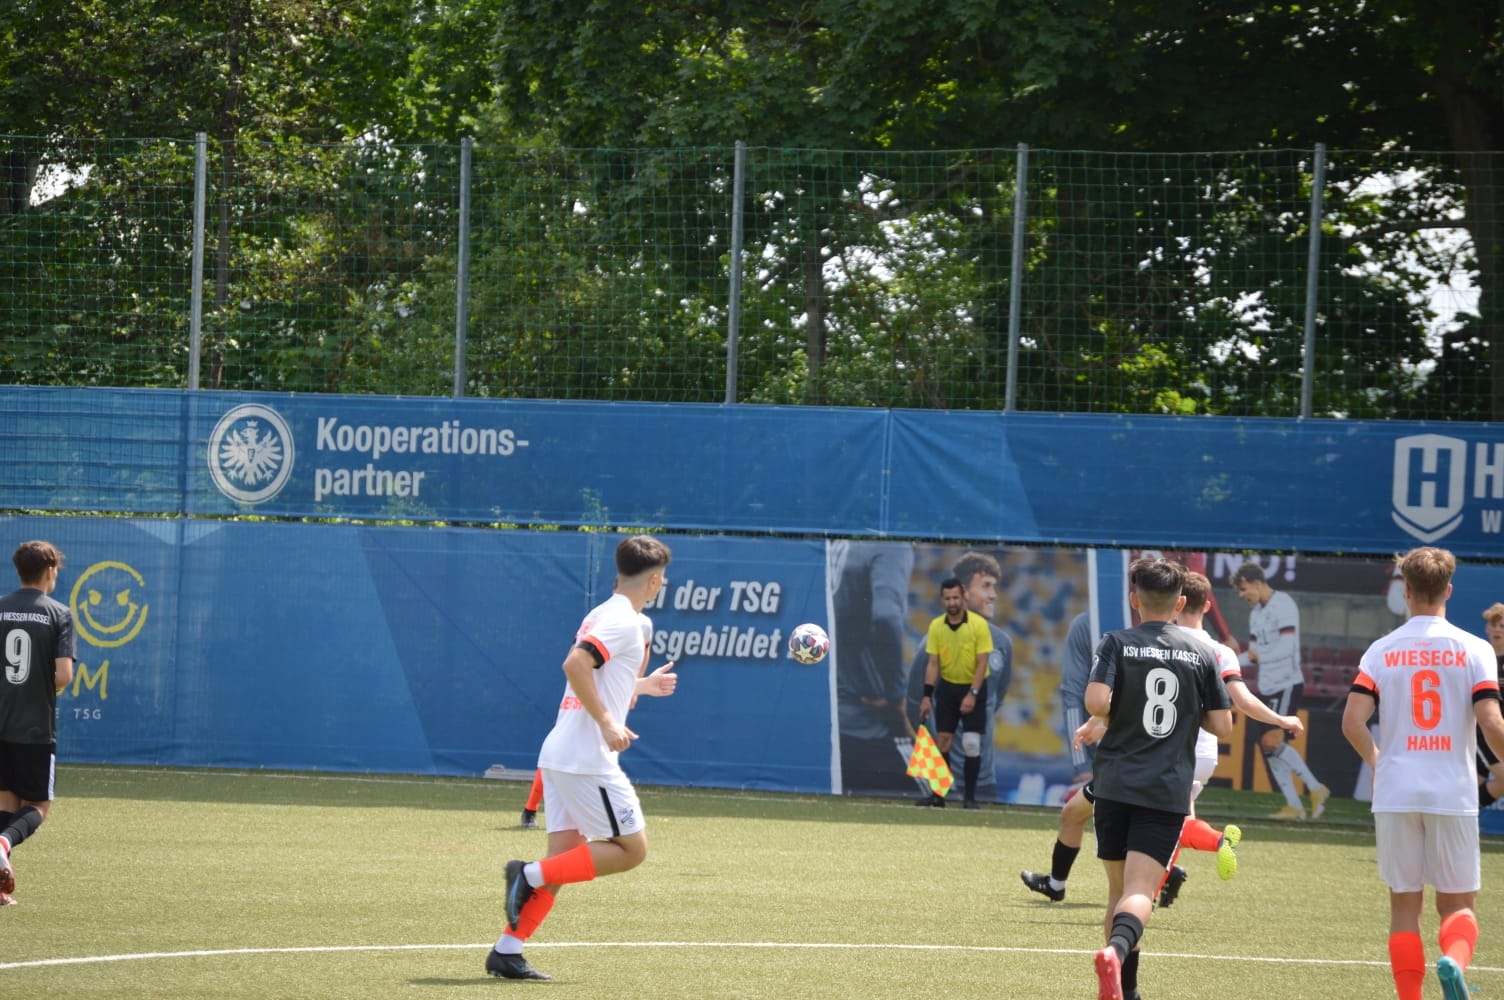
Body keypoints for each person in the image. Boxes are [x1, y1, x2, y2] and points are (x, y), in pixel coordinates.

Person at [486, 534, 680, 981]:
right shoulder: (625, 622)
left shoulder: (606, 613)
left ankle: (507, 950)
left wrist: (643, 686)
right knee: (631, 850)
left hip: (561, 753)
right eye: (663, 579)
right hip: (586, 759)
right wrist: (609, 724)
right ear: (654, 581)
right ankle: (526, 873)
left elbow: (600, 677)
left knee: (564, 862)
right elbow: (575, 665)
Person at [1340, 546, 1504, 1000]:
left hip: (1396, 791)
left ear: (1407, 591)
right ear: (1448, 590)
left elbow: (1352, 722)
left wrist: (1378, 762)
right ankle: (1453, 961)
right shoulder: (1475, 648)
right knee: (1458, 905)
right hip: (1452, 791)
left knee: (1404, 908)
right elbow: (1491, 722)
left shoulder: (1381, 649)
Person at [1081, 557, 1232, 1000]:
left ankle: (1125, 990)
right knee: (1140, 891)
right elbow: (1222, 726)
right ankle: (1115, 953)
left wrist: (1123, 704)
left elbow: (1096, 702)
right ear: (1180, 603)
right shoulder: (1202, 653)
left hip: (1113, 784)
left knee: (1117, 892)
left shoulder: (1116, 643)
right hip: (1164, 789)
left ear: (1135, 599)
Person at [1157, 570, 1304, 906]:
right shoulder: (1219, 651)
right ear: (1208, 606)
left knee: (1153, 823)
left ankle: (1218, 841)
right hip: (1205, 752)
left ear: (1177, 603)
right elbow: (1244, 701)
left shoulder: (1160, 642)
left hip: (1165, 749)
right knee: (1176, 821)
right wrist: (1281, 719)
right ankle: (1154, 888)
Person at [0, 541, 76, 907]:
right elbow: (63, 676)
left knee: (6, 802)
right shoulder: (58, 613)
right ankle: (3, 842)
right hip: (34, 727)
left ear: (19, 571)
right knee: (38, 805)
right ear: (49, 570)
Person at [906, 551, 1012, 805]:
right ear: (964, 592)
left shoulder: (1002, 643)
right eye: (986, 586)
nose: (993, 595)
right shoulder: (935, 636)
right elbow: (914, 702)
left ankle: (971, 794)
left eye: (994, 587)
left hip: (987, 781)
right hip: (943, 776)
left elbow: (995, 700)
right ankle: (939, 791)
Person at [1230, 561, 1331, 820]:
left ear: (1256, 582)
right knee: (1269, 748)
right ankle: (1295, 806)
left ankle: (1316, 789)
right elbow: (1253, 656)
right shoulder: (1256, 614)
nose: (1242, 594)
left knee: (1271, 742)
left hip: (1286, 683)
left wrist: (1259, 656)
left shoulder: (1283, 605)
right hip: (1266, 685)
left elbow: (1287, 648)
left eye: (1243, 588)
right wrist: (1228, 661)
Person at [830, 541, 917, 796]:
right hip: (875, 721)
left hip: (832, 717)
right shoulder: (893, 545)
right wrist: (897, 695)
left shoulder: (837, 544)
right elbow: (886, 617)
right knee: (943, 791)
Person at [1020, 610, 1096, 902]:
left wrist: (1082, 762)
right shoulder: (1173, 633)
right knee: (1078, 815)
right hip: (1161, 754)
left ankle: (1154, 883)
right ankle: (1056, 884)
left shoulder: (1095, 627)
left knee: (1117, 828)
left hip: (1122, 756)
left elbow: (1075, 694)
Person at [915, 577, 995, 809]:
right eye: (948, 598)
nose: (952, 602)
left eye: (956, 597)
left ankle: (969, 798)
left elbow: (982, 662)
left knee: (971, 743)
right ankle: (939, 796)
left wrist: (973, 693)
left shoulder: (978, 625)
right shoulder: (936, 626)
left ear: (964, 597)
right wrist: (927, 696)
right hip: (948, 688)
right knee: (943, 741)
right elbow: (933, 663)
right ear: (943, 600)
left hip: (974, 687)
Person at [1476, 604, 1504, 809]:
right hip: (1482, 734)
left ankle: (1464, 812)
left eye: (1502, 626)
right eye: (1493, 625)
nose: (1497, 630)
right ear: (1486, 628)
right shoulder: (1480, 660)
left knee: (1465, 789)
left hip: (1499, 732)